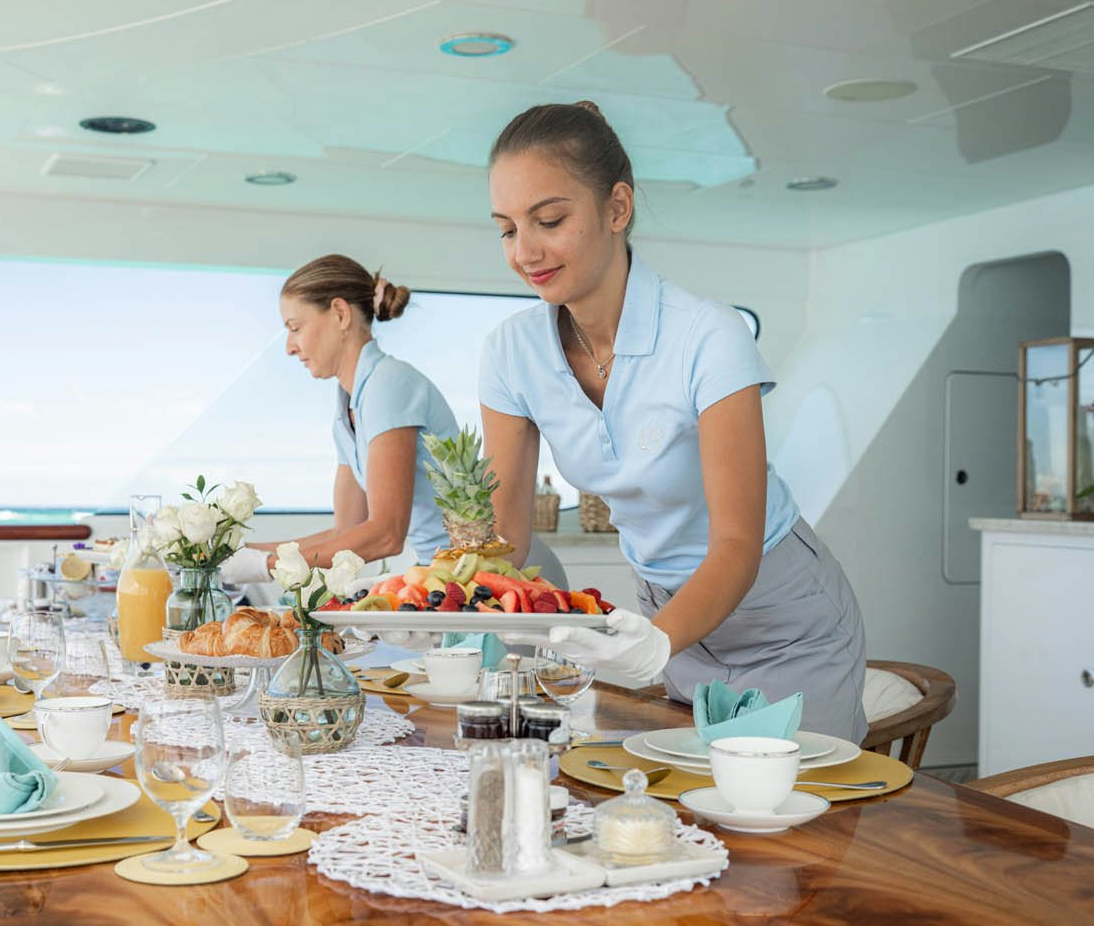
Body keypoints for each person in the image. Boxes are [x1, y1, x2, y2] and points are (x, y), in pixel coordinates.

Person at [481, 102, 867, 742]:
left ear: (617, 208)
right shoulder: (509, 352)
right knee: (695, 824)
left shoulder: (708, 335)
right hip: (671, 614)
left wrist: (655, 646)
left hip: (781, 615)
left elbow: (737, 544)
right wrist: (430, 602)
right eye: (506, 229)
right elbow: (506, 540)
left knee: (795, 830)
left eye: (549, 220)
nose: (526, 251)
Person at [219, 254, 458, 582]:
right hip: (442, 577)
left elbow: (386, 535)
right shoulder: (348, 407)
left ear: (340, 314)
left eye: (295, 328)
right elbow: (349, 529)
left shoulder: (389, 385)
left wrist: (267, 566)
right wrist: (240, 554)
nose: (290, 347)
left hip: (484, 580)